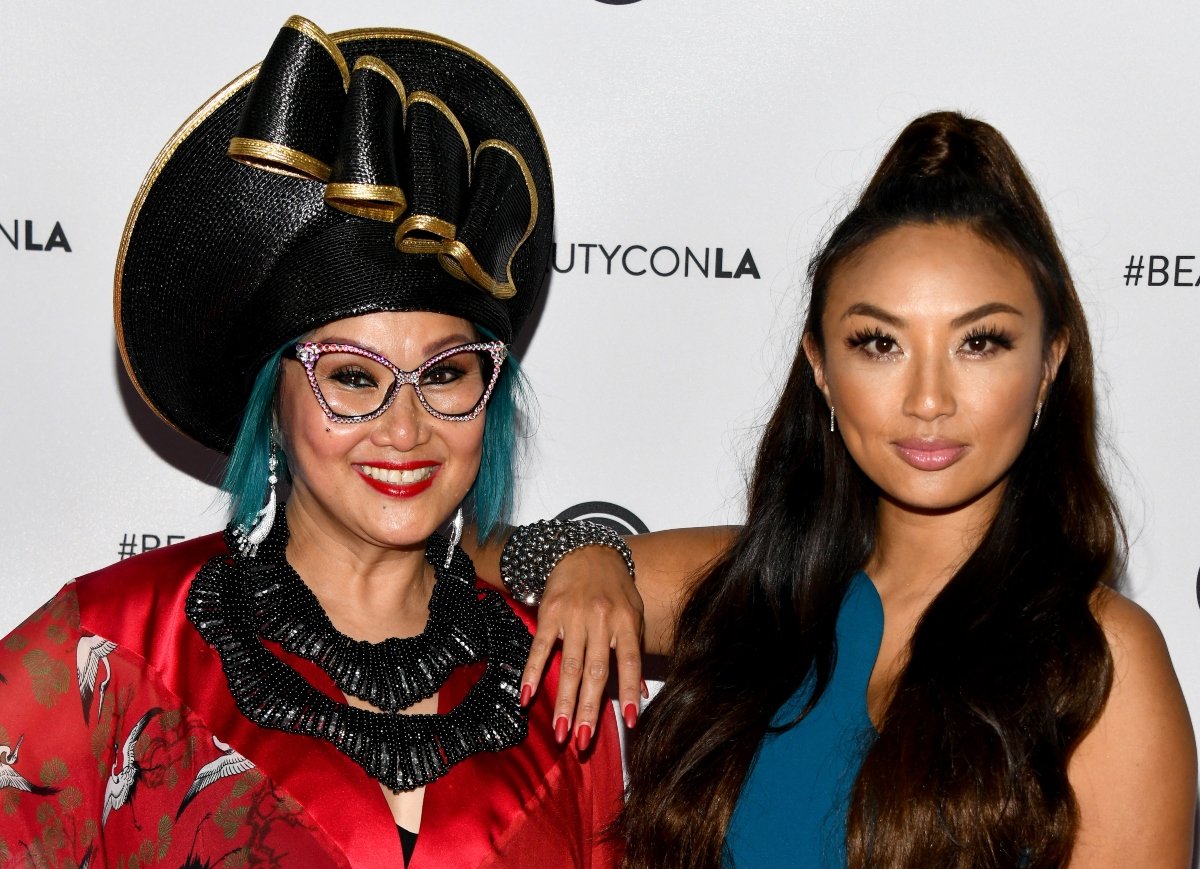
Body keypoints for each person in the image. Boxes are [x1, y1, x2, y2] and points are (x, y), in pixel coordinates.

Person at [0, 17, 624, 868]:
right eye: (354, 377)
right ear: (273, 399)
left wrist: (592, 554)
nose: (405, 428)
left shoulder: (563, 685)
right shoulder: (112, 646)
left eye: (446, 373)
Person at [499, 111, 1197, 867]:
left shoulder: (1101, 660)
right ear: (822, 368)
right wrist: (589, 559)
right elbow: (447, 562)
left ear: (1050, 364)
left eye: (980, 342)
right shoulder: (762, 588)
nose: (928, 399)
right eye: (880, 343)